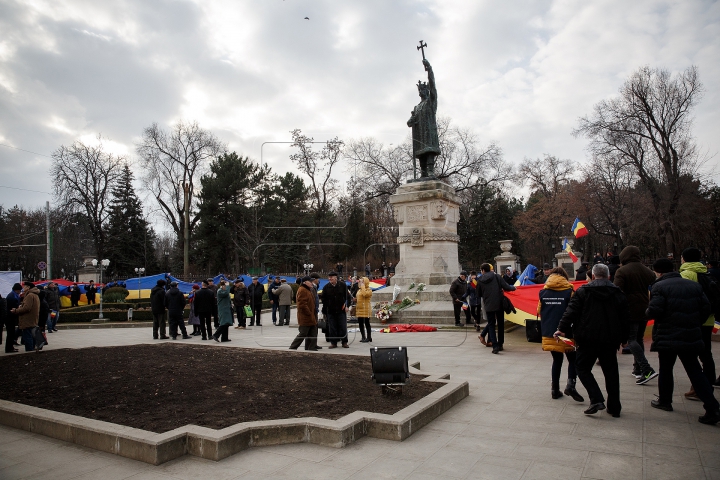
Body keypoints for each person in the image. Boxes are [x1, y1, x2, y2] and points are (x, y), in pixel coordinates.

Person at [646, 258, 719, 424]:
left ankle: (665, 401)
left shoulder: (659, 286)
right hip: (689, 333)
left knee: (665, 369)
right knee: (695, 370)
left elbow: (654, 310)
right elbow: (706, 308)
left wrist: (649, 311)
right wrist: (693, 321)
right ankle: (712, 406)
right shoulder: (693, 285)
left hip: (667, 334)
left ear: (659, 272)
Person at [556, 264, 628, 416]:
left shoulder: (583, 291)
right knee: (611, 373)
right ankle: (614, 408)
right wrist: (625, 338)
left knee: (582, 368)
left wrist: (561, 328)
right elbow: (625, 318)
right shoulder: (617, 292)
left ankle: (596, 398)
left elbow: (571, 311)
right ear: (609, 277)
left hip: (587, 337)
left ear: (593, 276)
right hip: (610, 339)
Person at [538, 267, 584, 402]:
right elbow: (575, 312)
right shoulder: (570, 292)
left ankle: (554, 389)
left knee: (557, 360)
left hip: (550, 332)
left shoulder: (543, 292)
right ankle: (571, 385)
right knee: (573, 359)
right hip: (567, 332)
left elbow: (539, 310)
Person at [614, 245, 658, 385]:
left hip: (629, 310)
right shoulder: (648, 271)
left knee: (630, 339)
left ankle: (646, 368)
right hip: (644, 308)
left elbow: (617, 291)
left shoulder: (622, 271)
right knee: (638, 339)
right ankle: (637, 368)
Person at [678, 247, 717, 401]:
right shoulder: (707, 272)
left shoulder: (686, 275)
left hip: (692, 320)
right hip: (709, 320)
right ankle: (708, 384)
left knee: (690, 356)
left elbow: (682, 298)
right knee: (706, 353)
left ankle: (700, 387)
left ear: (684, 259)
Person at [477, 263, 516, 354]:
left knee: (491, 324)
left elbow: (478, 294)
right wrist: (514, 288)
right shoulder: (497, 277)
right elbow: (506, 287)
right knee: (500, 324)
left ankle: (494, 346)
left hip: (488, 304)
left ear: (483, 270)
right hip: (499, 303)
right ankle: (500, 344)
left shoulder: (480, 280)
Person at [289, 276, 321, 350]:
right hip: (305, 316)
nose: (311, 283)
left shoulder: (307, 289)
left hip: (310, 316)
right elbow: (302, 304)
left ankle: (310, 347)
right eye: (310, 282)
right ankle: (293, 347)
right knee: (303, 333)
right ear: (305, 282)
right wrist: (309, 313)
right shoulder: (302, 290)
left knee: (312, 332)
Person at [11, 282, 40, 352]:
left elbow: (27, 308)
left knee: (28, 336)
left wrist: (16, 310)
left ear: (28, 287)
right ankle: (32, 349)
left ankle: (29, 352)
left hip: (27, 319)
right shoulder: (35, 295)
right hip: (32, 318)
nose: (23, 288)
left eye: (24, 287)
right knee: (31, 336)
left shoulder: (30, 295)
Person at [322, 271, 348, 348]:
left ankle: (344, 342)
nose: (330, 279)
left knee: (343, 327)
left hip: (341, 311)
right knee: (332, 327)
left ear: (336, 278)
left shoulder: (342, 285)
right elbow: (323, 299)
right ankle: (333, 343)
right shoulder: (326, 287)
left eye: (332, 277)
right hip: (331, 311)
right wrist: (327, 306)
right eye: (329, 277)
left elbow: (347, 297)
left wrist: (347, 305)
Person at [5, 283, 22, 353]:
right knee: (10, 333)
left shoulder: (13, 295)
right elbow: (13, 306)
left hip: (10, 317)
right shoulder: (12, 296)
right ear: (17, 290)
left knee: (11, 333)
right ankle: (9, 348)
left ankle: (10, 347)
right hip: (10, 317)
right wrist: (19, 307)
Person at [356, 277, 373, 343]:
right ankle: (363, 336)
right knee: (360, 323)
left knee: (367, 323)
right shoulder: (359, 290)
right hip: (360, 309)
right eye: (360, 282)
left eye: (362, 282)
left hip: (366, 309)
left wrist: (363, 287)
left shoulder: (369, 290)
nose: (361, 283)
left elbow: (365, 294)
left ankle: (369, 337)